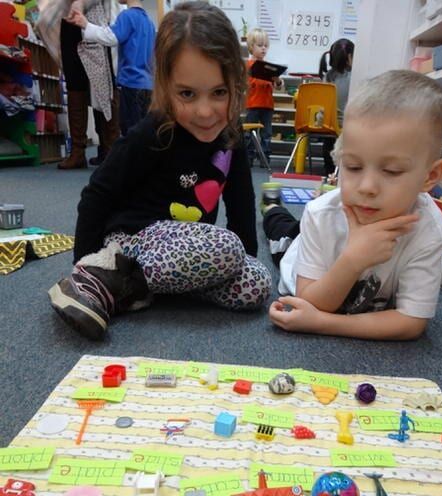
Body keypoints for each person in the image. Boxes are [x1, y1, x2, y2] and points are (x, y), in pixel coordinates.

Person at [48, 0, 272, 341]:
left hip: (186, 254)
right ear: (166, 85)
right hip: (130, 243)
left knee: (257, 283)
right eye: (187, 94)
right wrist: (85, 262)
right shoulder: (153, 130)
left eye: (219, 93)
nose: (205, 111)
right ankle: (101, 279)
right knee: (227, 248)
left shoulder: (231, 136)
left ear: (237, 85)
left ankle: (140, 291)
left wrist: (245, 262)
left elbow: (241, 201)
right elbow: (97, 193)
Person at [266, 69, 442, 341]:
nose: (366, 187)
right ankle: (271, 207)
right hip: (298, 253)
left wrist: (322, 324)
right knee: (280, 232)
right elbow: (311, 300)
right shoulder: (321, 214)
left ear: (431, 176)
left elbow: (411, 322)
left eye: (391, 171)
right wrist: (353, 259)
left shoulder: (429, 230)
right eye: (352, 166)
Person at [36, 0, 120, 169]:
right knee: (74, 83)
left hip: (96, 19)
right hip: (69, 20)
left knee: (102, 81)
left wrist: (82, 2)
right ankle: (78, 152)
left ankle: (110, 149)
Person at [67, 0, 156, 136]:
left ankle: (132, 157)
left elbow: (110, 37)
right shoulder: (149, 23)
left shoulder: (127, 16)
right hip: (148, 87)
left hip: (131, 85)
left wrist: (86, 24)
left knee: (130, 132)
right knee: (145, 132)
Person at [244, 27, 282, 166]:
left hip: (267, 105)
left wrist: (277, 80)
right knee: (249, 133)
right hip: (253, 104)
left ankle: (265, 159)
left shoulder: (269, 66)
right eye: (260, 46)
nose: (264, 49)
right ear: (251, 47)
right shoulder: (247, 66)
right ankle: (248, 157)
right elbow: (243, 84)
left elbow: (278, 85)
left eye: (266, 46)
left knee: (266, 134)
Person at [318, 38, 355, 176]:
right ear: (350, 57)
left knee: (329, 133)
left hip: (327, 124)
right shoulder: (354, 76)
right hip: (346, 126)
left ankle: (328, 172)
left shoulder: (328, 76)